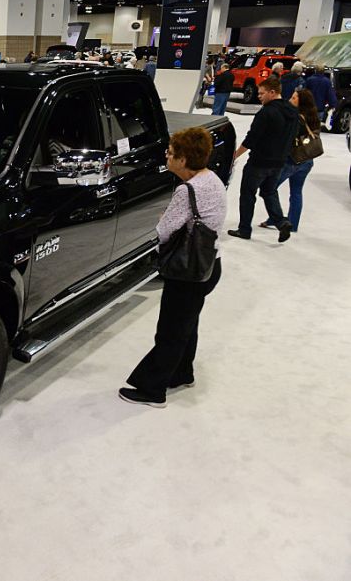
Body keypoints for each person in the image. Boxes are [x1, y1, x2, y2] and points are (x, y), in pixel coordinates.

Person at [119, 128, 226, 408]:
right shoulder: (213, 180)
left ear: (183, 159)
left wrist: (162, 219)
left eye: (171, 152)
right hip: (209, 265)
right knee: (187, 324)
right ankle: (182, 373)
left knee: (170, 331)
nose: (167, 156)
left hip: (187, 272)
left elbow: (165, 230)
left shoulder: (187, 190)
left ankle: (152, 389)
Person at [227, 76, 297, 242]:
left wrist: (234, 155)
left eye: (262, 93)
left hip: (259, 162)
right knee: (269, 192)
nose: (259, 96)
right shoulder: (293, 111)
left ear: (272, 92)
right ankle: (281, 222)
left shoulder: (266, 112)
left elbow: (252, 139)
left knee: (247, 194)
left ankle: (244, 229)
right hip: (279, 162)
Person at [261, 89, 320, 233]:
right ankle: (291, 223)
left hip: (291, 161)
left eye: (294, 98)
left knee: (269, 190)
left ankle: (278, 219)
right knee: (296, 192)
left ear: (301, 102)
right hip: (306, 160)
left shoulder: (295, 118)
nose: (290, 100)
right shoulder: (313, 117)